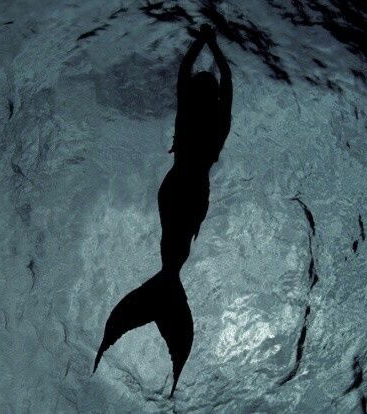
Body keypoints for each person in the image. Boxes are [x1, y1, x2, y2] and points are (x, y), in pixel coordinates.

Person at [94, 25, 233, 397]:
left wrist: (203, 42)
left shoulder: (189, 112)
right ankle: (166, 287)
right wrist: (214, 48)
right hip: (188, 191)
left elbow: (185, 71)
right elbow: (221, 80)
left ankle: (165, 287)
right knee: (177, 241)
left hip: (175, 189)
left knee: (173, 240)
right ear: (215, 97)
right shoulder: (218, 125)